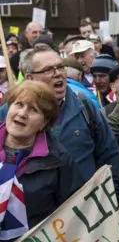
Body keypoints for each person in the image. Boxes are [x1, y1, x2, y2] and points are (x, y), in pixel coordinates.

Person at [0, 46, 119, 199]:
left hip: (85, 212)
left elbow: (109, 155)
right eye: (48, 70)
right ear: (29, 78)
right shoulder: (10, 114)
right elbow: (7, 158)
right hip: (30, 215)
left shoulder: (85, 107)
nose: (57, 73)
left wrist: (114, 198)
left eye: (60, 67)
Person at [0, 81, 82, 231]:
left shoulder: (59, 160)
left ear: (44, 123)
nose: (22, 113)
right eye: (18, 104)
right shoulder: (7, 153)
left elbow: (72, 213)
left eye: (33, 110)